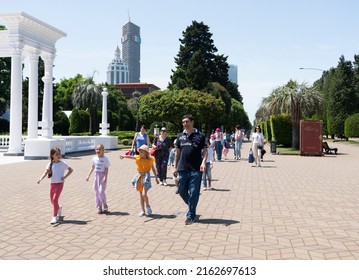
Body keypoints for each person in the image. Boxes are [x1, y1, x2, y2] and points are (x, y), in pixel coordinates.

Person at [173, 114, 208, 225]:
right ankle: (192, 205)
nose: (185, 124)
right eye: (183, 122)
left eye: (187, 121)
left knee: (194, 192)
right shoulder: (180, 136)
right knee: (181, 190)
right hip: (182, 168)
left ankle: (191, 215)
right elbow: (177, 153)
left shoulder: (200, 135)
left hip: (196, 169)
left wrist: (203, 163)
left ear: (192, 122)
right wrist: (174, 167)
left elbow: (205, 151)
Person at [119, 144, 159, 216]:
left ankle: (148, 206)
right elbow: (130, 156)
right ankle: (143, 210)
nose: (140, 154)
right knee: (141, 195)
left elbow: (153, 168)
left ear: (146, 153)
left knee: (144, 194)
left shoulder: (150, 159)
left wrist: (156, 177)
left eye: (142, 152)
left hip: (146, 177)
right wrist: (124, 156)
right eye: (139, 152)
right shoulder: (138, 158)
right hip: (139, 176)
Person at [37, 148, 73, 224]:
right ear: (52, 155)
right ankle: (59, 207)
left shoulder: (62, 163)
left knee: (55, 199)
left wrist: (65, 177)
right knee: (52, 201)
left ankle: (54, 216)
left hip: (60, 184)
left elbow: (71, 170)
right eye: (56, 154)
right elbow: (45, 172)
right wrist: (40, 179)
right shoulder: (50, 164)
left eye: (59, 154)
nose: (59, 155)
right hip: (52, 184)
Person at [86, 144, 110, 214]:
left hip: (102, 176)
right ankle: (99, 205)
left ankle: (105, 204)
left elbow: (106, 168)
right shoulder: (94, 158)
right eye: (97, 149)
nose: (98, 151)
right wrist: (88, 175)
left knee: (101, 191)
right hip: (96, 176)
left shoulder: (105, 159)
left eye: (100, 149)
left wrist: (105, 176)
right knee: (96, 191)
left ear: (103, 150)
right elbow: (92, 167)